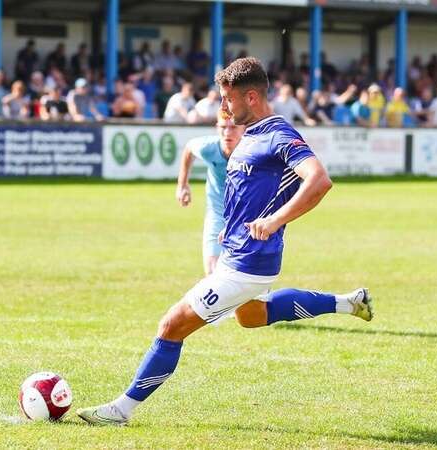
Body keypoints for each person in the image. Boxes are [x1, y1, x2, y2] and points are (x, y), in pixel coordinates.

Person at [77, 57, 373, 426]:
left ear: (251, 97)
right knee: (253, 317)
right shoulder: (249, 134)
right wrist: (231, 228)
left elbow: (319, 180)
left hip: (247, 264)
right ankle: (346, 303)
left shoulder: (279, 135)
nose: (223, 108)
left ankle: (120, 411)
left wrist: (276, 219)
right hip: (244, 253)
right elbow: (252, 191)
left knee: (171, 326)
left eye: (227, 99)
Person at [176, 110, 244, 275]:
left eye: (233, 127)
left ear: (244, 129)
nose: (227, 132)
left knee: (245, 277)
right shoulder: (209, 148)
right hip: (217, 213)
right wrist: (182, 185)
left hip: (245, 217)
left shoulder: (253, 152)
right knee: (212, 273)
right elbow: (189, 149)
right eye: (223, 127)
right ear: (216, 128)